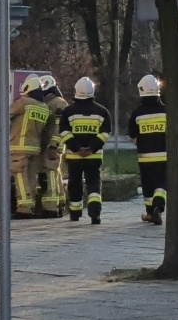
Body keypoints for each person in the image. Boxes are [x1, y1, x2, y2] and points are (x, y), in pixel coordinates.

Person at [60, 76, 112, 224]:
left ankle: (75, 213)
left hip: (74, 157)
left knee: (74, 183)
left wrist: (77, 148)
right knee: (94, 182)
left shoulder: (68, 111)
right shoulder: (102, 112)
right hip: (94, 156)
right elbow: (105, 133)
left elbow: (64, 131)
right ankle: (95, 212)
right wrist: (92, 148)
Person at [8, 76, 51, 217]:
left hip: (19, 146)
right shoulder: (44, 107)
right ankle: (31, 204)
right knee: (32, 177)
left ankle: (24, 208)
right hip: (35, 147)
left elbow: (5, 114)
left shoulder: (24, 103)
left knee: (19, 175)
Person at [129, 75, 168, 225]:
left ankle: (150, 212)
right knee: (161, 182)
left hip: (145, 156)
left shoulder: (137, 113)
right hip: (163, 155)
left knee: (147, 184)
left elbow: (132, 135)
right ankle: (159, 205)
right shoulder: (166, 111)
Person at [38, 75, 69, 217]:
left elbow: (58, 127)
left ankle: (51, 206)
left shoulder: (57, 103)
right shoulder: (54, 102)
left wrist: (53, 146)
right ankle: (61, 202)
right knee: (55, 173)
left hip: (53, 144)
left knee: (50, 172)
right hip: (53, 144)